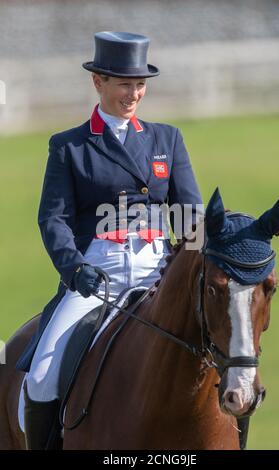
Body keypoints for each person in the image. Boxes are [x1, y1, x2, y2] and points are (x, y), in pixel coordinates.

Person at [16, 31, 202, 450]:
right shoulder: (70, 146)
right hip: (97, 274)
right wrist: (74, 268)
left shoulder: (166, 140)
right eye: (123, 83)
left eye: (139, 84)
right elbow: (54, 218)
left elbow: (190, 216)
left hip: (159, 273)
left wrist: (201, 252)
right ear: (98, 82)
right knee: (43, 376)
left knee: (222, 359)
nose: (133, 93)